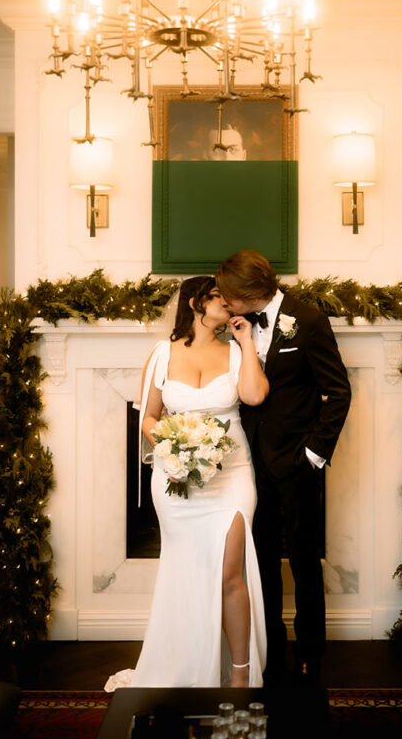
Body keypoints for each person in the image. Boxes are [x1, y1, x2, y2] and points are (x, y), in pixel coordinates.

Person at [106, 275, 268, 690]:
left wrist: (248, 341)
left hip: (231, 476)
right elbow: (148, 418)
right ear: (197, 302)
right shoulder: (162, 354)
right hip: (177, 480)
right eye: (220, 298)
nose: (230, 305)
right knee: (187, 571)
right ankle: (185, 662)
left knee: (232, 571)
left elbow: (253, 396)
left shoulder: (235, 351)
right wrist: (175, 450)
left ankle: (239, 674)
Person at [216, 250, 352, 686]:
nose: (223, 303)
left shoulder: (307, 321)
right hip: (250, 466)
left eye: (229, 297)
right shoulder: (235, 329)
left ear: (251, 294)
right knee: (263, 563)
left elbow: (339, 391)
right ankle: (270, 648)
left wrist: (313, 454)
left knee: (306, 561)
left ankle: (311, 652)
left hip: (297, 465)